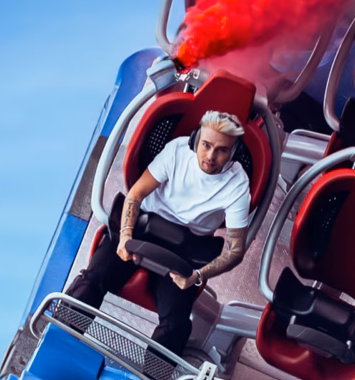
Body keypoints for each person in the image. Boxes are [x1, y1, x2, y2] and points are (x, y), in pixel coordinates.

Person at [66, 110, 255, 364]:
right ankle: (60, 337)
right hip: (142, 228)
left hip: (185, 251)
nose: (210, 156)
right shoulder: (177, 151)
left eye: (221, 150)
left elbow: (235, 251)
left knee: (176, 323)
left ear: (233, 153)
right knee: (92, 281)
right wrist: (124, 236)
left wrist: (197, 276)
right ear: (195, 139)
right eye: (206, 145)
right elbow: (135, 195)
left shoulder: (238, 184)